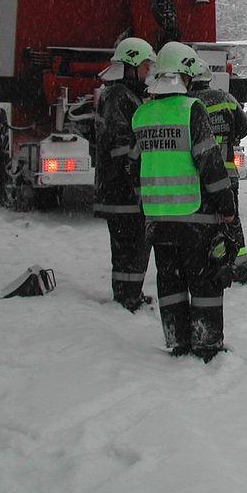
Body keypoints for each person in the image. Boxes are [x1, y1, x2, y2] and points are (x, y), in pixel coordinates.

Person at [131, 41, 237, 362]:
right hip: (194, 215)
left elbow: (133, 166)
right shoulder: (191, 110)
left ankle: (177, 340)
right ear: (184, 77)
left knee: (170, 279)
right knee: (203, 280)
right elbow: (208, 162)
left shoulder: (141, 114)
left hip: (158, 219)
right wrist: (226, 205)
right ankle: (206, 345)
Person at [94, 37, 155, 312]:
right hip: (121, 189)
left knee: (130, 247)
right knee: (131, 246)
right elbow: (121, 143)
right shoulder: (118, 96)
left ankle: (129, 293)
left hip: (120, 188)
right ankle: (128, 297)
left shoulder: (121, 94)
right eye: (145, 66)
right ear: (130, 65)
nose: (148, 72)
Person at [188, 57, 247, 284]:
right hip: (228, 174)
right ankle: (239, 267)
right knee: (231, 220)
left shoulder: (187, 103)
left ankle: (206, 265)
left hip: (200, 176)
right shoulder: (226, 99)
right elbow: (244, 127)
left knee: (202, 223)